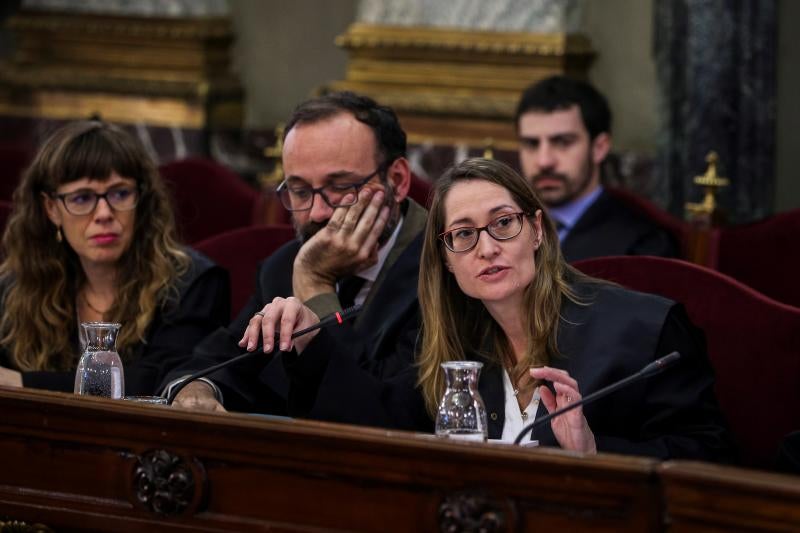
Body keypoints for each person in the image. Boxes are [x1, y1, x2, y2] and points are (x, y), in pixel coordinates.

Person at [259, 158, 734, 462]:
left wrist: (593, 450)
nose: (486, 248)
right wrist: (310, 343)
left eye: (503, 224)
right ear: (447, 260)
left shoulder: (644, 332)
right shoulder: (452, 341)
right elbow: (384, 427)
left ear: (537, 232)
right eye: (463, 234)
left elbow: (711, 458)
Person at [166, 91, 427, 414]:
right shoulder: (282, 267)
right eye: (300, 191)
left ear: (398, 181)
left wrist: (315, 286)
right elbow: (216, 363)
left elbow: (380, 413)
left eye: (340, 186)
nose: (317, 212)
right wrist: (199, 388)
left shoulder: (446, 270)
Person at [0, 120, 230, 395]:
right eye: (82, 198)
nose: (104, 213)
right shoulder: (17, 287)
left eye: (120, 193)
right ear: (52, 209)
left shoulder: (191, 283)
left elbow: (161, 382)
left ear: (141, 199)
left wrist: (22, 383)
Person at [516, 75, 678, 262]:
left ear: (599, 148)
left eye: (563, 142)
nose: (544, 161)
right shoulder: (500, 228)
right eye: (531, 144)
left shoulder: (642, 246)